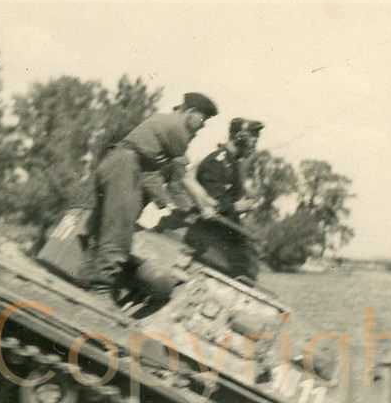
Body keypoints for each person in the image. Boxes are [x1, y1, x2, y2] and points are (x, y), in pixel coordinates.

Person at [86, 92, 219, 299]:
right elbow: (183, 176)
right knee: (119, 231)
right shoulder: (178, 129)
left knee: (103, 226)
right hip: (125, 168)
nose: (202, 126)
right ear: (190, 112)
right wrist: (205, 207)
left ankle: (87, 278)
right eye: (202, 119)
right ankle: (101, 289)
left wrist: (166, 202)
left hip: (118, 164)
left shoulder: (163, 121)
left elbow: (153, 174)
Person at [184, 117, 264, 280]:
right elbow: (213, 204)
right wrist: (238, 207)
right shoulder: (218, 162)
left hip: (219, 231)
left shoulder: (232, 164)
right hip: (207, 232)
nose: (255, 144)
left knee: (249, 265)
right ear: (239, 137)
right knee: (245, 267)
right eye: (253, 138)